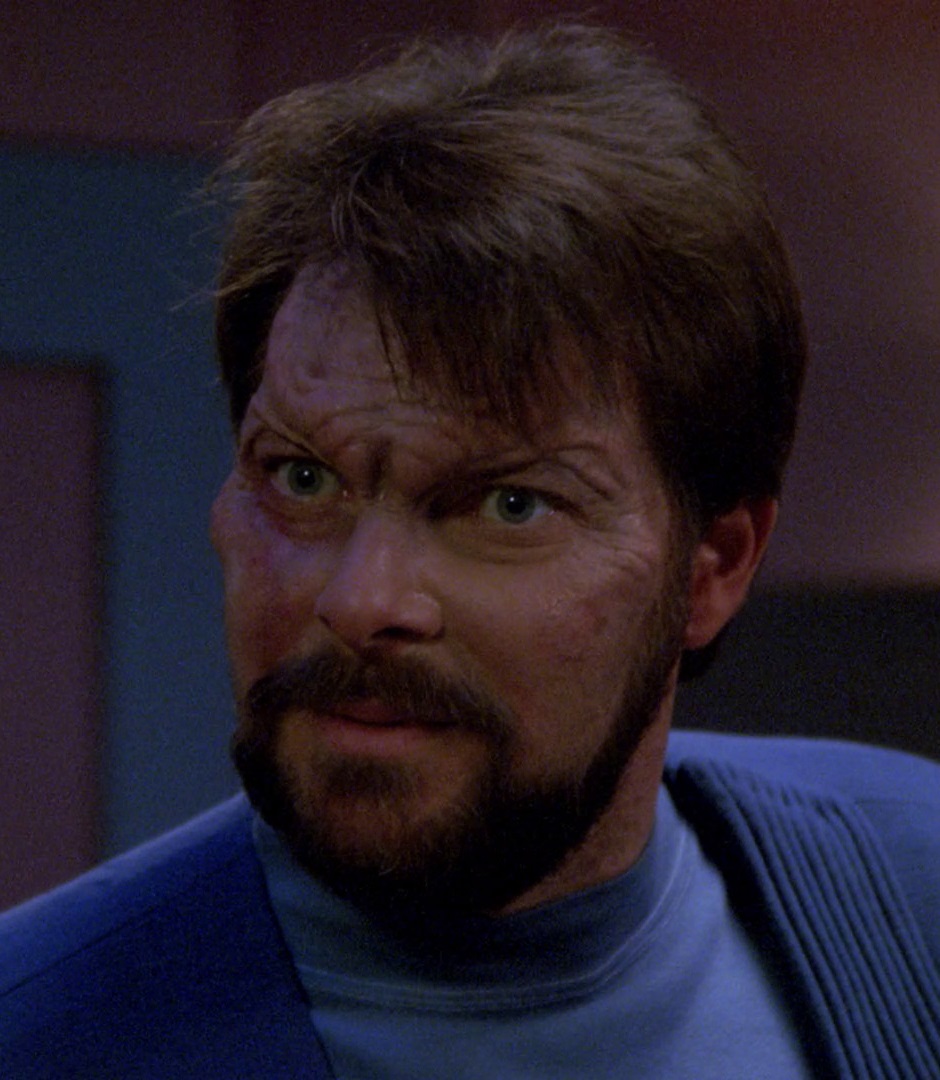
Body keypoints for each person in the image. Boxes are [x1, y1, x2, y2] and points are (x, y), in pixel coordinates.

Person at [2, 22, 939, 1079]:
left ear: (713, 567)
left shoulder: (908, 887)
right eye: (302, 479)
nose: (362, 601)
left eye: (507, 505)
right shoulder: (39, 1034)